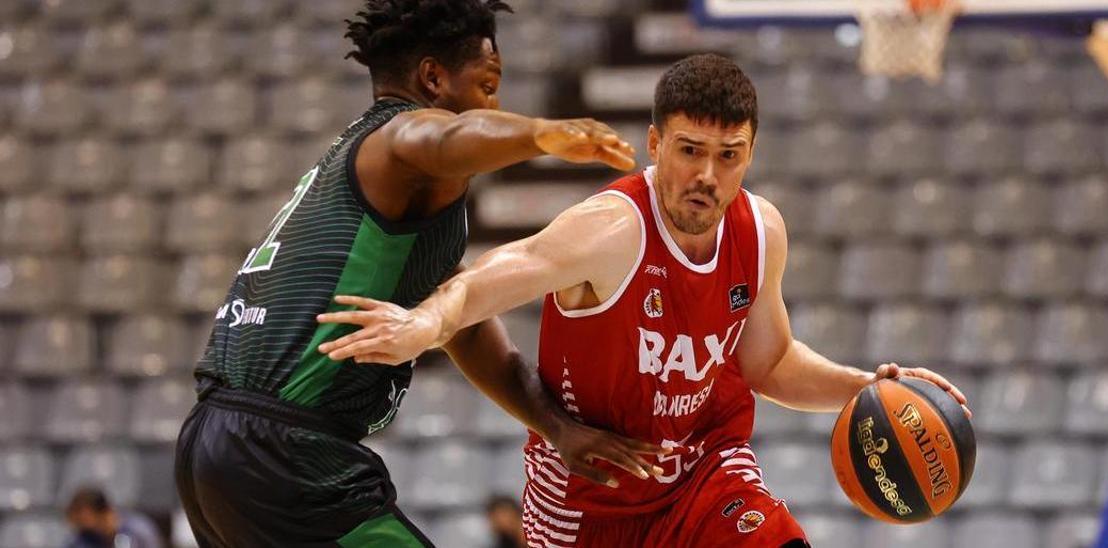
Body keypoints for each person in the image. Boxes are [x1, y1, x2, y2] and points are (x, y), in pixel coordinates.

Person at [317, 53, 972, 547]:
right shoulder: (612, 229)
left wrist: (870, 387)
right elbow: (501, 270)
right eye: (690, 151)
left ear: (750, 154)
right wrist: (425, 321)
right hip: (588, 493)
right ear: (656, 145)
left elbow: (768, 365)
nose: (707, 176)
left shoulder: (761, 231)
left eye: (729, 156)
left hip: (702, 472)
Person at [173, 1, 662, 546]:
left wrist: (557, 427)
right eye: (488, 84)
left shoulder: (380, 204)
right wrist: (541, 135)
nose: (494, 102)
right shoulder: (399, 139)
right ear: (433, 78)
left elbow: (464, 323)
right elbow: (444, 138)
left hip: (215, 446)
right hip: (283, 454)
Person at [64, 487, 163, 548]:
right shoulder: (85, 537)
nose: (81, 525)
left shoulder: (140, 531)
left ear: (105, 512)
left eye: (83, 519)